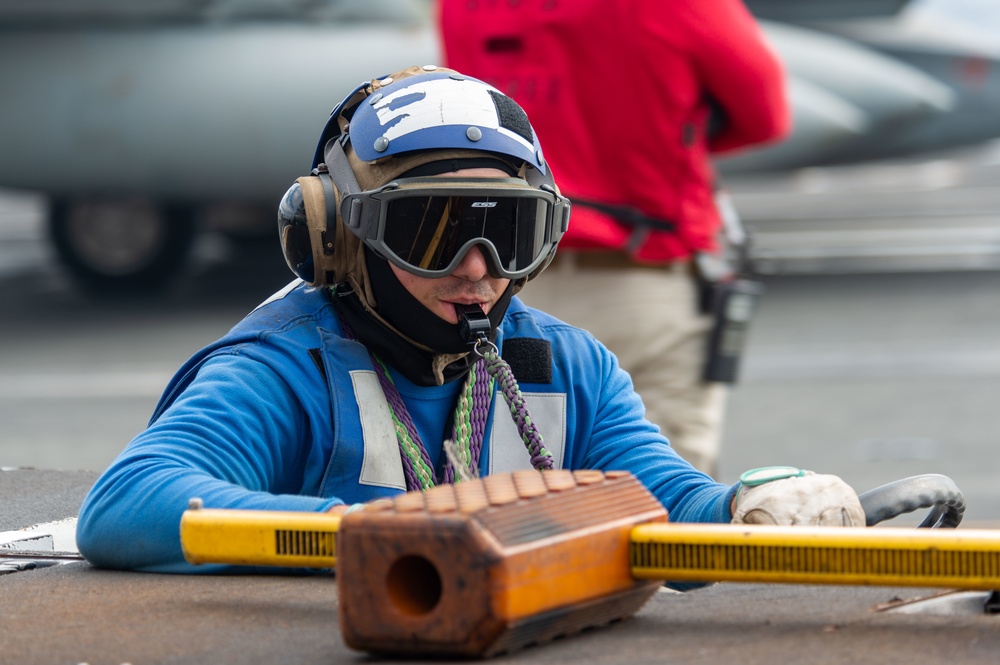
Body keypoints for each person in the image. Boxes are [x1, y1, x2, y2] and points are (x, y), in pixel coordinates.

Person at [76, 66, 859, 574]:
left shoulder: (566, 365)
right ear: (336, 235)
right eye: (432, 231)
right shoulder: (288, 366)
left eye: (507, 233)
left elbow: (659, 501)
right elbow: (127, 503)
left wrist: (746, 504)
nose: (479, 267)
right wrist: (381, 536)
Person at [438, 0, 791, 477]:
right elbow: (766, 113)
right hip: (644, 277)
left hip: (499, 279)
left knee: (506, 486)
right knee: (662, 498)